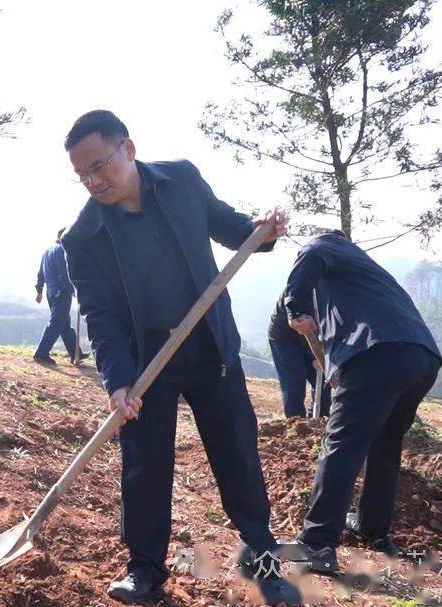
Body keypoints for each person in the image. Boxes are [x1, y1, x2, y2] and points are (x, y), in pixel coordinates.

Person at [59, 110, 299, 605]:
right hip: (145, 361)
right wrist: (118, 382)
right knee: (145, 465)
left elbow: (232, 227)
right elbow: (100, 316)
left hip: (211, 345)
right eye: (82, 175)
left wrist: (264, 230)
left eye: (99, 166)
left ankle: (264, 560)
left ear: (128, 149)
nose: (93, 182)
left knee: (238, 455)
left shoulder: (182, 180)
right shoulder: (83, 237)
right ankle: (144, 569)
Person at [279, 231, 442, 574]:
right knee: (385, 445)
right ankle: (374, 528)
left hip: (377, 352)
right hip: (422, 358)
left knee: (342, 443)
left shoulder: (326, 246)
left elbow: (312, 252)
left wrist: (296, 308)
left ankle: (317, 543)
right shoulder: (365, 271)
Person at [268, 295, 331, 417]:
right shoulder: (300, 289)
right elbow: (301, 321)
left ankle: (318, 420)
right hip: (285, 337)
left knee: (324, 384)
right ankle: (296, 423)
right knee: (294, 384)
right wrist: (316, 356)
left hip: (315, 338)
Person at [33, 227, 85, 365]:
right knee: (56, 323)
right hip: (61, 292)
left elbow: (40, 273)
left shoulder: (47, 251)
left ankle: (75, 353)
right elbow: (64, 275)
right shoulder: (62, 251)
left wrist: (39, 290)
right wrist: (72, 289)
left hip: (51, 292)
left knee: (64, 324)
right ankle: (41, 353)